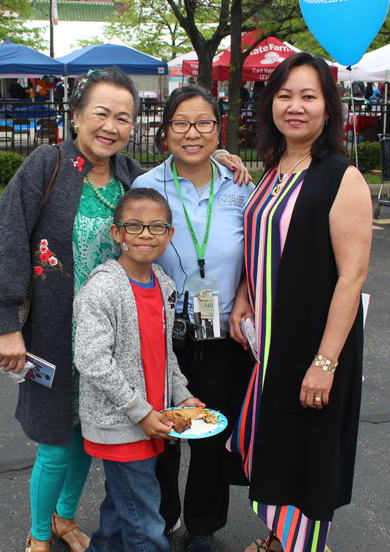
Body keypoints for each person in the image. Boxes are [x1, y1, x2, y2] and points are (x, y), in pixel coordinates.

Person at [0, 67, 250, 552]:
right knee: (57, 442)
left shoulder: (128, 173)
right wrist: (7, 325)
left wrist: (221, 156)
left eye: (123, 118)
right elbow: (5, 241)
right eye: (101, 113)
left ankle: (64, 518)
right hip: (55, 333)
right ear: (78, 115)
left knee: (93, 431)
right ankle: (39, 535)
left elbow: (182, 169)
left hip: (123, 332)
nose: (111, 126)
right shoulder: (48, 164)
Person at [227, 52, 372, 552]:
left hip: (313, 341)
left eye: (309, 96)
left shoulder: (341, 177)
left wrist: (325, 363)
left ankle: (304, 546)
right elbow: (260, 240)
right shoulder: (273, 167)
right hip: (268, 342)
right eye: (285, 95)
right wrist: (245, 295)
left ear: (328, 108)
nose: (295, 106)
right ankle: (276, 541)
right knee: (277, 446)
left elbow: (351, 278)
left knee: (305, 450)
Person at [132, 84, 255, 552]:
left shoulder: (242, 188)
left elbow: (257, 256)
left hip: (221, 334)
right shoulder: (145, 187)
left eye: (203, 123)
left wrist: (244, 290)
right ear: (165, 133)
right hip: (161, 336)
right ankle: (159, 522)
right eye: (180, 123)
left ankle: (202, 528)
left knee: (210, 437)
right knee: (162, 437)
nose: (192, 133)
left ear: (217, 130)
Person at [74, 187, 205, 552]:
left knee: (121, 508)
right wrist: (141, 412)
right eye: (134, 226)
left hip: (152, 418)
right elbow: (92, 361)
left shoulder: (163, 284)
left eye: (156, 227)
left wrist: (182, 395)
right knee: (147, 524)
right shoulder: (102, 290)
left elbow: (165, 355)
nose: (145, 234)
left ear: (169, 234)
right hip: (122, 425)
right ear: (117, 233)